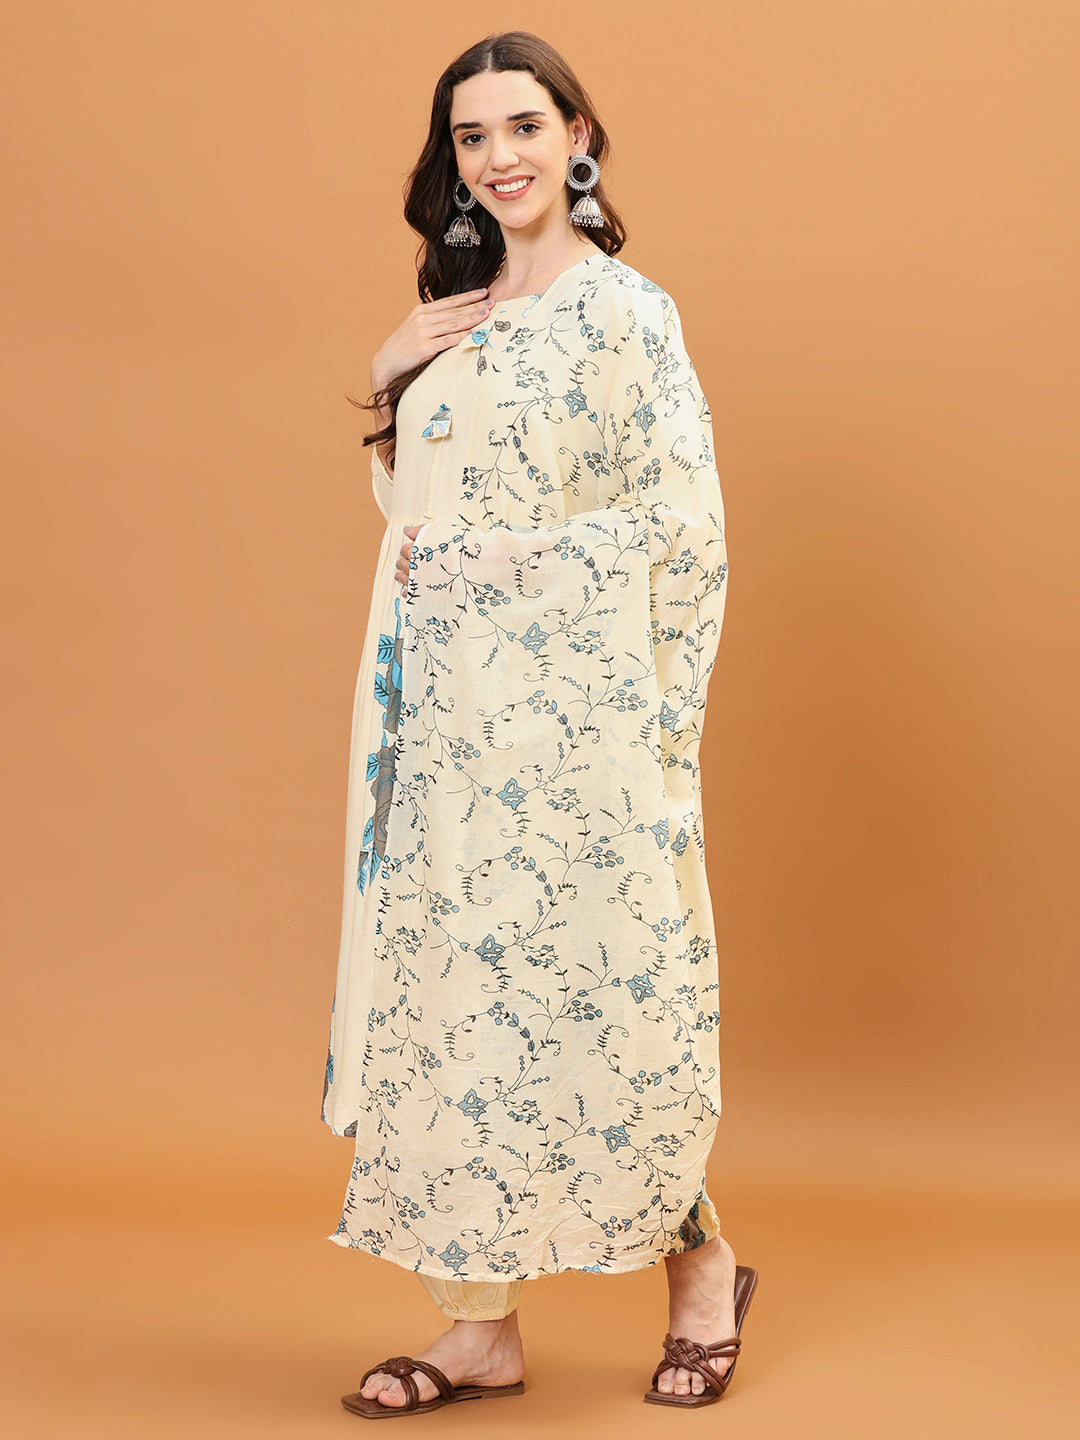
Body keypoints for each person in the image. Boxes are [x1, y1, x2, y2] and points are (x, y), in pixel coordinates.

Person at [321, 30, 757, 1417]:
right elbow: (418, 514)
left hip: (575, 732)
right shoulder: (453, 312)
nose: (499, 156)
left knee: (602, 996)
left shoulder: (627, 314)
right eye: (471, 136)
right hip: (444, 727)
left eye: (524, 125)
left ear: (580, 137)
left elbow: (678, 524)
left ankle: (702, 1269)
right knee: (459, 1009)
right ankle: (480, 1327)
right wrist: (390, 374)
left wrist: (509, 566)